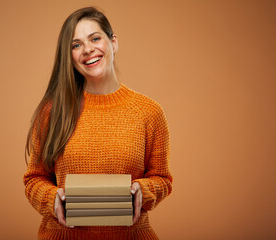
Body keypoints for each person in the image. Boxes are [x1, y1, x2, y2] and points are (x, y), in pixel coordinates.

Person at [23, 7, 173, 240]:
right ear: (70, 57)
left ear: (113, 43)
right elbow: (34, 179)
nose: (88, 49)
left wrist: (143, 191)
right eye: (76, 45)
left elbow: (162, 179)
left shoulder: (149, 112)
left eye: (95, 38)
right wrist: (51, 198)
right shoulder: (52, 111)